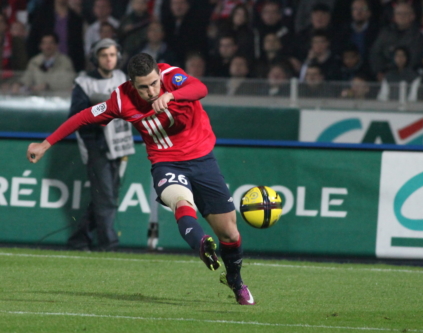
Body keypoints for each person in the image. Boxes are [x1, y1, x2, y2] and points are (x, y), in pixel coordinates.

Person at [26, 52, 255, 306]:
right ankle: (201, 244)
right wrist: (45, 144)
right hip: (165, 162)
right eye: (143, 86)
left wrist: (171, 95)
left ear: (159, 74)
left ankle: (235, 280)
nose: (151, 91)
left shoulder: (172, 77)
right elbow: (84, 116)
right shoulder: (121, 100)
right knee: (181, 201)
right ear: (131, 83)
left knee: (230, 234)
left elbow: (200, 88)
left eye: (154, 83)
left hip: (203, 161)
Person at [66, 38, 134, 251]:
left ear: (118, 57)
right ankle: (109, 244)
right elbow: (76, 116)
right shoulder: (84, 82)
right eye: (104, 55)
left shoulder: (123, 78)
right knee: (106, 197)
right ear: (95, 58)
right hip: (96, 145)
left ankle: (79, 239)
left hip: (120, 144)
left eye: (112, 55)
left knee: (105, 196)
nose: (108, 59)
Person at [370, 3, 423, 81]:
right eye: (398, 13)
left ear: (412, 16)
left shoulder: (418, 36)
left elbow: (415, 58)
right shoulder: (385, 32)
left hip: (408, 77)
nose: (401, 16)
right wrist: (379, 71)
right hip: (384, 75)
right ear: (394, 16)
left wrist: (397, 73)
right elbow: (375, 53)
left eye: (405, 14)